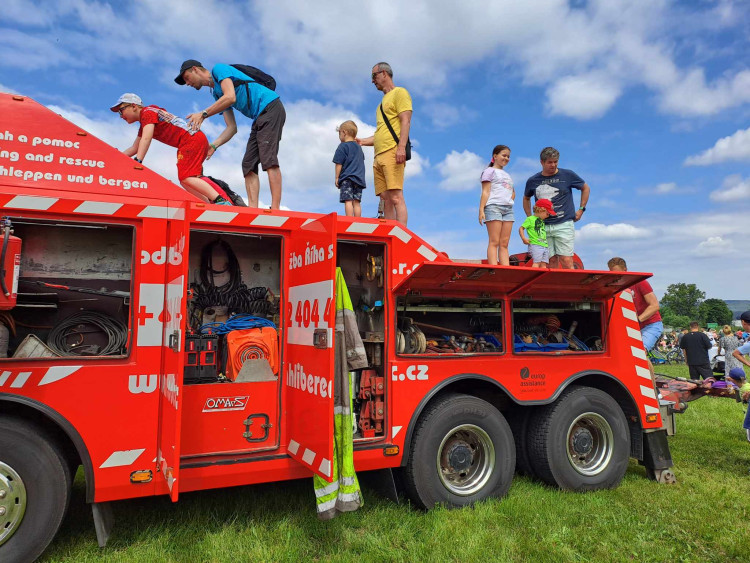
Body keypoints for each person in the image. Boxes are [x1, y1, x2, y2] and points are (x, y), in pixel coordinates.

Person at [175, 59, 286, 209]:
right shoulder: (216, 94)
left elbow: (230, 96)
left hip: (270, 107)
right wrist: (214, 145)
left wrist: (203, 114)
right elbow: (231, 127)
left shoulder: (219, 70)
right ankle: (253, 210)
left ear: (195, 69)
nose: (187, 83)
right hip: (259, 116)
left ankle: (276, 208)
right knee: (248, 164)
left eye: (186, 78)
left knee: (268, 158)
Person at [111, 93, 231, 205]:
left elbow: (146, 138)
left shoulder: (147, 113)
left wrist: (139, 161)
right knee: (186, 180)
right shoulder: (146, 120)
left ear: (134, 106)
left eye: (121, 111)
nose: (121, 116)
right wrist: (117, 157)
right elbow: (135, 147)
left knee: (186, 177)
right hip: (193, 139)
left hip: (190, 140)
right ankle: (208, 204)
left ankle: (220, 200)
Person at [356, 62, 412, 226]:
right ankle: (391, 236)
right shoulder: (380, 106)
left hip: (392, 151)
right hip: (378, 155)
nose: (372, 80)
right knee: (385, 198)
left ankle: (402, 237)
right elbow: (380, 134)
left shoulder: (400, 93)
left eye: (374, 76)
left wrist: (401, 147)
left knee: (395, 196)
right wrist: (362, 141)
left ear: (384, 74)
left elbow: (405, 120)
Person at [523, 147, 590, 269]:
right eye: (549, 162)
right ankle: (554, 288)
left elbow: (585, 188)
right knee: (550, 261)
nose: (553, 165)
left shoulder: (568, 175)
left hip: (563, 223)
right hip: (542, 226)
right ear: (542, 162)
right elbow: (526, 198)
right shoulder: (533, 180)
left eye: (555, 161)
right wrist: (531, 218)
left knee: (566, 260)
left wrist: (581, 209)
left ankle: (570, 287)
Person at [479, 145, 515, 265]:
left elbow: (512, 192)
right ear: (495, 156)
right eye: (504, 155)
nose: (506, 158)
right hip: (494, 207)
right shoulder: (489, 171)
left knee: (504, 243)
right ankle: (494, 268)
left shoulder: (507, 175)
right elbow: (485, 191)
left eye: (508, 156)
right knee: (494, 241)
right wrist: (481, 210)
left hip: (508, 209)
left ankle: (506, 269)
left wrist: (508, 200)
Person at [333, 121, 366, 217]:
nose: (339, 137)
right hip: (359, 179)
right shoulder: (359, 148)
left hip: (347, 178)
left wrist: (337, 177)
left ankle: (349, 220)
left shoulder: (342, 146)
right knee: (356, 202)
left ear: (344, 132)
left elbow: (339, 163)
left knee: (348, 201)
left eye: (339, 134)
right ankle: (358, 221)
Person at [519, 199, 555, 268]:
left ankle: (542, 278)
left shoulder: (541, 221)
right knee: (537, 262)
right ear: (541, 210)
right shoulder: (530, 219)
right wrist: (523, 238)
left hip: (544, 245)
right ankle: (534, 274)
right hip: (535, 244)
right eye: (547, 214)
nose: (548, 216)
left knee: (544, 264)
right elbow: (521, 228)